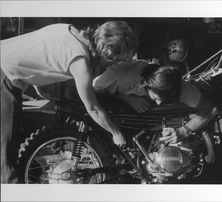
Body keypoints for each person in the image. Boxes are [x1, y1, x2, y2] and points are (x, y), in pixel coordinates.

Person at [1, 21, 138, 183]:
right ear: (107, 52)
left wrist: (43, 91)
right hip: (5, 74)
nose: (113, 65)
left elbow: (40, 53)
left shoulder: (68, 30)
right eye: (115, 61)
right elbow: (93, 108)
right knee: (5, 158)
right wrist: (116, 133)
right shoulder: (79, 62)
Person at [93, 60, 217, 145]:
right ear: (147, 86)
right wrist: (128, 99)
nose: (158, 103)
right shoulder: (122, 76)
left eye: (163, 100)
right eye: (156, 98)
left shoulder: (180, 86)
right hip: (111, 102)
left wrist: (183, 131)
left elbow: (210, 109)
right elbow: (93, 89)